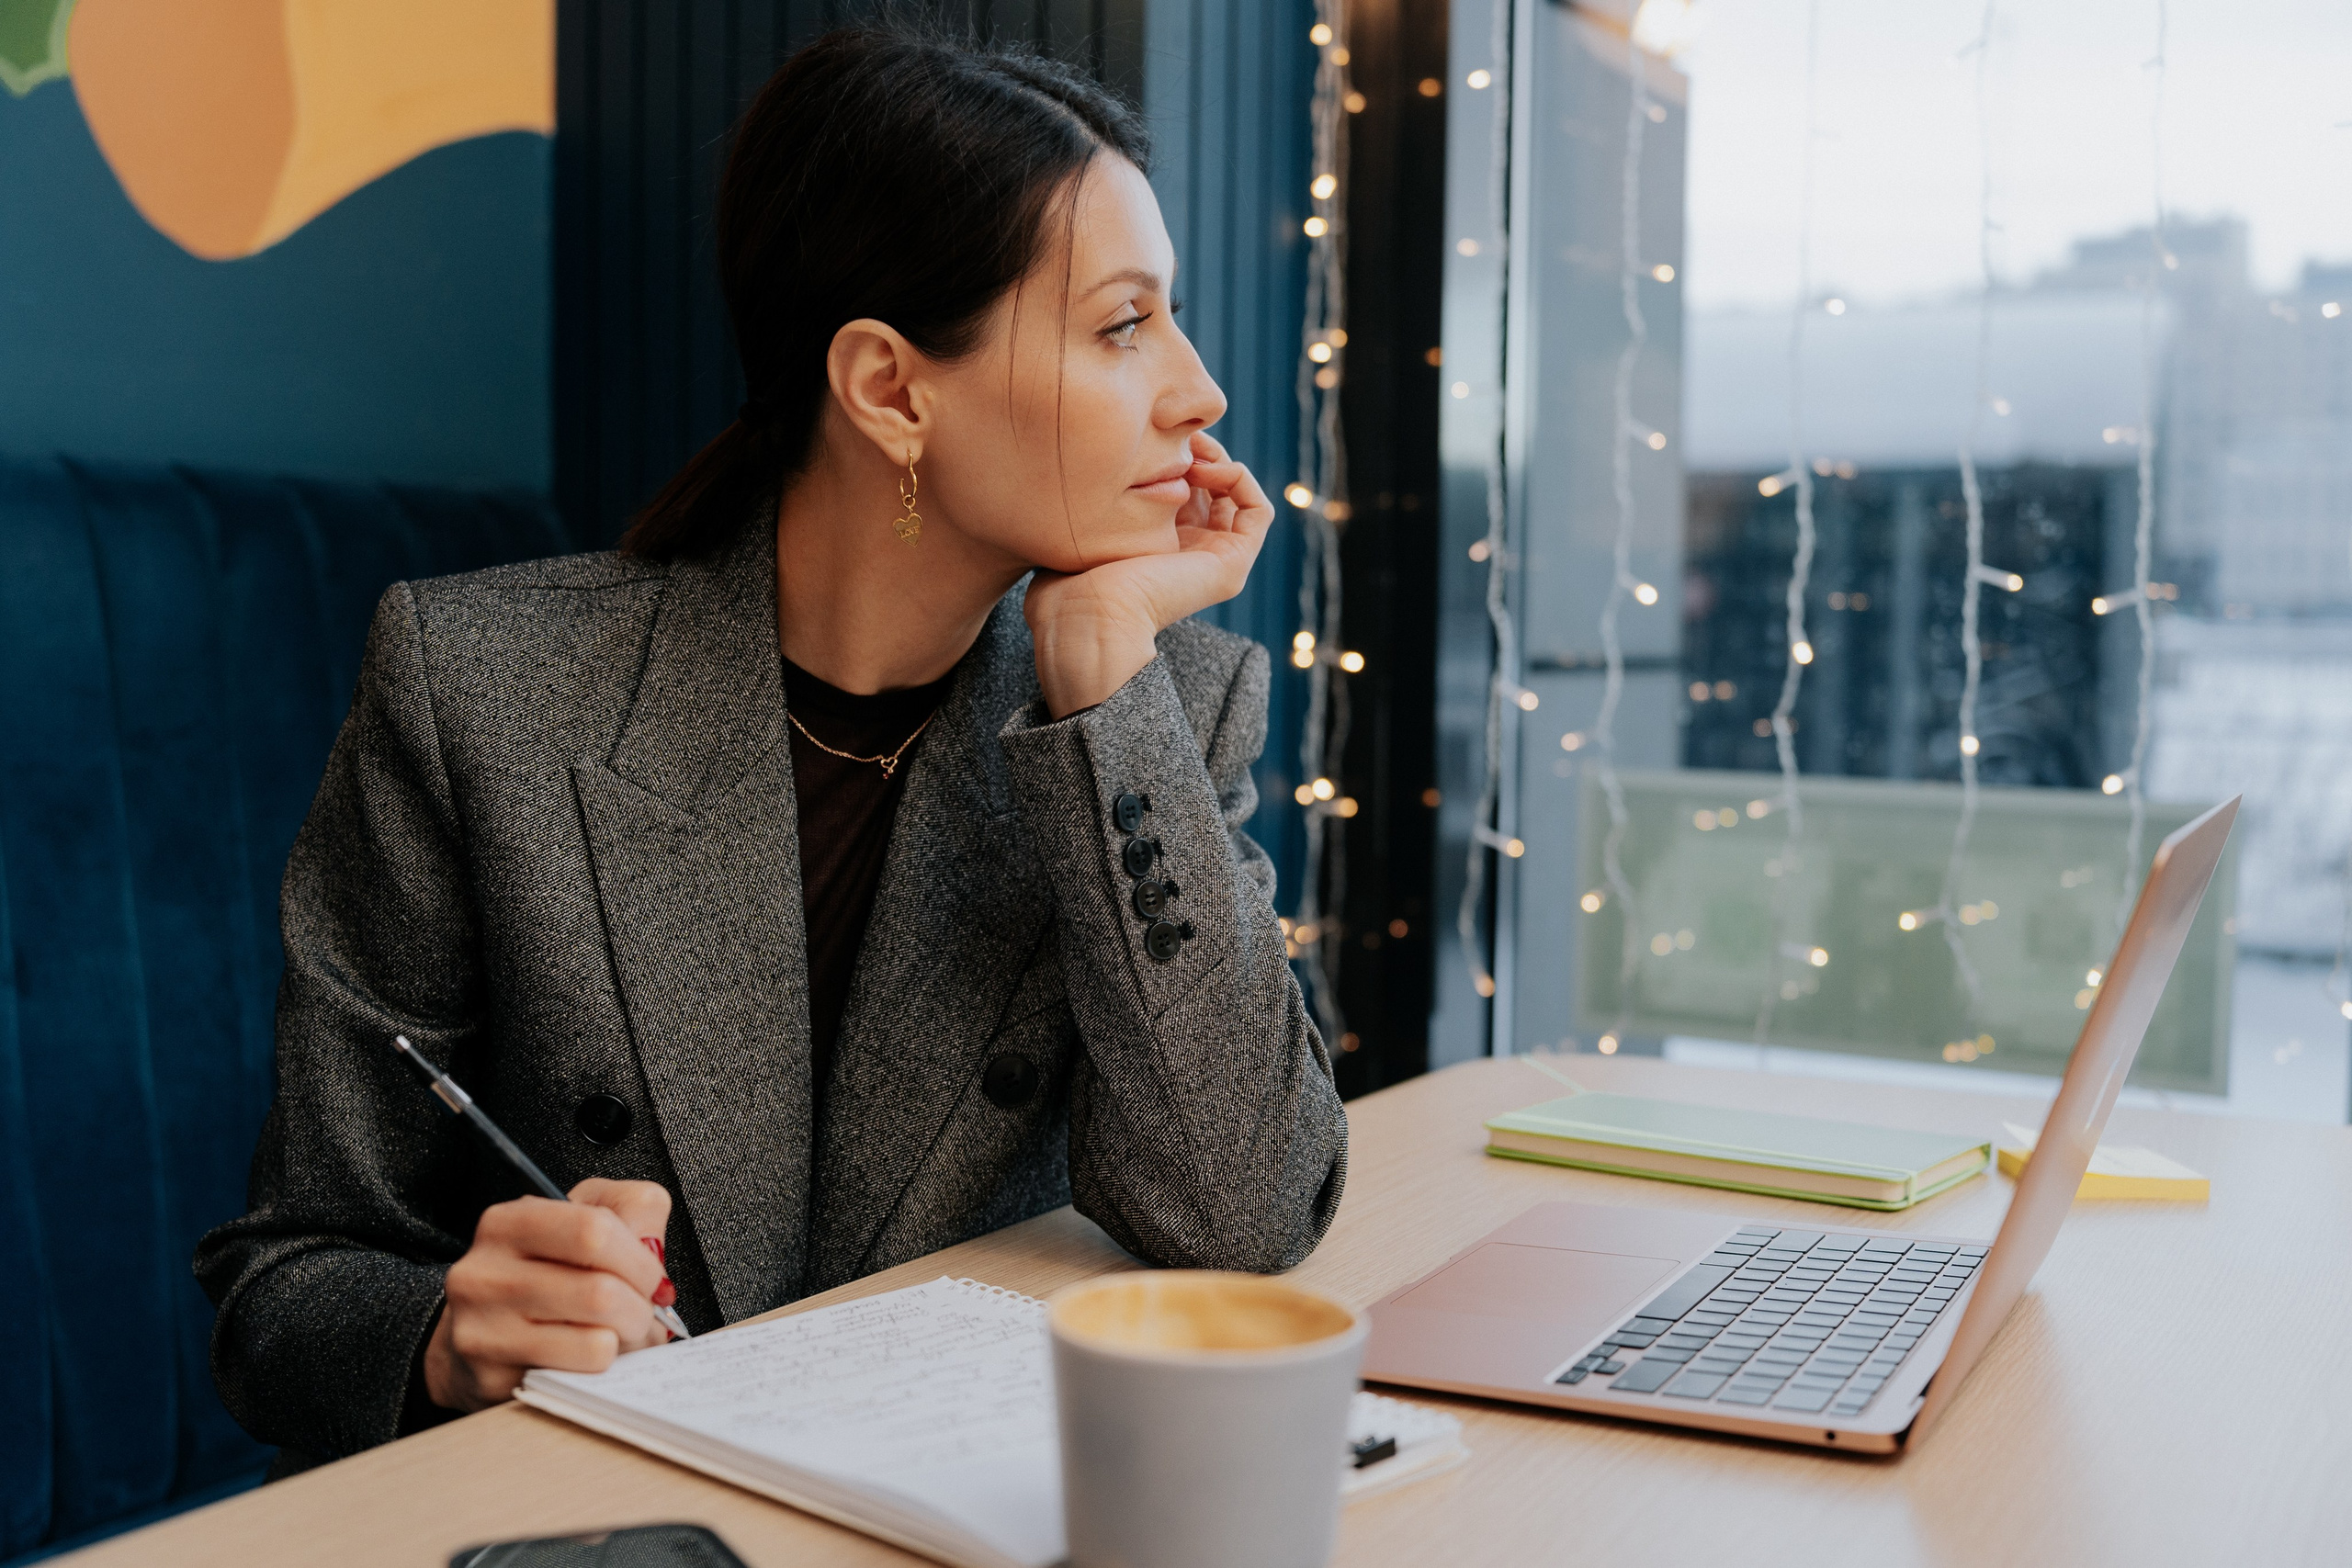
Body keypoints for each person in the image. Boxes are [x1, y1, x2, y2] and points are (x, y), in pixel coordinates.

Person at [196, 24, 1347, 1469]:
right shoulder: (480, 689)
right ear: (890, 389)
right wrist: (442, 1334)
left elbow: (1244, 1213)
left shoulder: (1161, 706)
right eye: (1124, 326)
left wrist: (1104, 684)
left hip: (965, 1511)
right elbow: (284, 1283)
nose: (1199, 391)